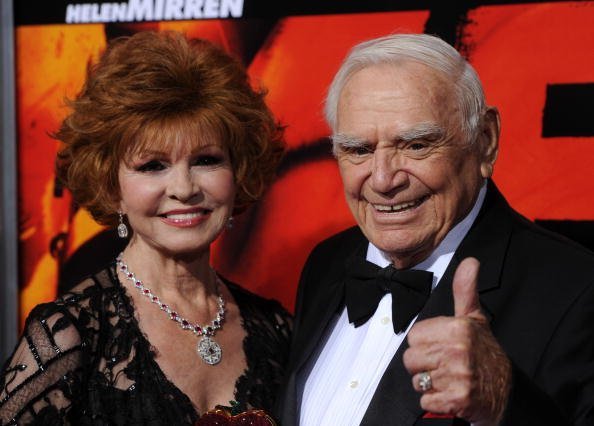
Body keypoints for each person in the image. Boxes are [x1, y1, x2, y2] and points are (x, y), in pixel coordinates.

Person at [277, 33, 594, 426]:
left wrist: (503, 402)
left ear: (485, 140)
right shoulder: (327, 263)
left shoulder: (576, 291)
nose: (382, 179)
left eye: (415, 145)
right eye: (358, 150)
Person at [0, 31, 290, 425]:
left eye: (206, 160)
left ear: (237, 172)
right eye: (153, 165)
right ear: (111, 185)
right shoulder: (68, 336)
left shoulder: (277, 329)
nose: (185, 189)